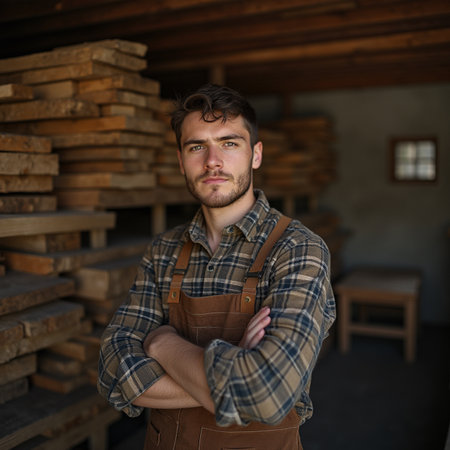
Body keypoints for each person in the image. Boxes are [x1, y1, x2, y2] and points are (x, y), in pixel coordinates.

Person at [98, 84, 336, 449]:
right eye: (197, 146)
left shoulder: (298, 249)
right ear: (181, 160)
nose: (212, 160)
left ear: (255, 154)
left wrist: (161, 344)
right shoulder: (163, 251)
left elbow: (267, 395)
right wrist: (235, 365)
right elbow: (114, 369)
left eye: (229, 143)